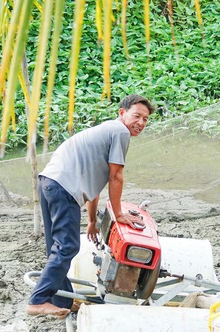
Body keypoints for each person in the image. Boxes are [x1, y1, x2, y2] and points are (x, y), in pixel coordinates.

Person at [26, 94, 155, 319]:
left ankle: (62, 300)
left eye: (145, 119)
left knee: (56, 247)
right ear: (122, 113)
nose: (141, 123)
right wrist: (118, 214)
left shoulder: (106, 131)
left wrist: (93, 222)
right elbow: (116, 176)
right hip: (64, 187)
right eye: (137, 116)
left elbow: (94, 185)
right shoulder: (120, 132)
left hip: (49, 182)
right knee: (67, 247)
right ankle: (38, 301)